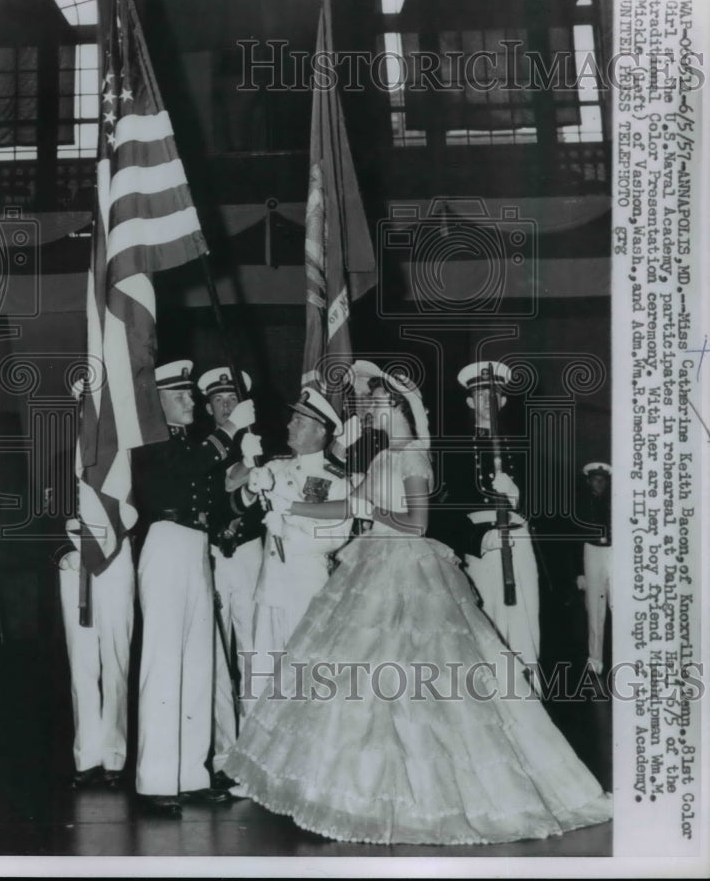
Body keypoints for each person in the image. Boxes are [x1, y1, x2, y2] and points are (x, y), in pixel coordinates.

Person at [224, 361, 611, 845]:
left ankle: (420, 792)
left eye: (378, 406)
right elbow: (347, 506)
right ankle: (359, 790)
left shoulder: (412, 457)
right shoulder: (384, 457)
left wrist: (374, 511)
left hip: (406, 565)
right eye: (368, 408)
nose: (370, 414)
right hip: (373, 564)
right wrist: (290, 506)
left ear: (400, 408)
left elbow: (416, 525)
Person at [130, 359, 256, 817]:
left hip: (197, 545)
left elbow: (215, 500)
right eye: (180, 395)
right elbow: (185, 470)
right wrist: (227, 435)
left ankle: (191, 773)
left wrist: (246, 483)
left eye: (188, 393)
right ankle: (156, 777)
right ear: (157, 400)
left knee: (199, 662)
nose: (190, 401)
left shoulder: (188, 443)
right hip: (165, 544)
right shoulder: (148, 440)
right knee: (164, 664)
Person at [55, 379, 134, 790]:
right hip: (73, 566)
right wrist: (59, 552)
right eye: (82, 402)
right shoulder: (56, 459)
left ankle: (115, 757)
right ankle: (87, 755)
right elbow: (39, 516)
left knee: (116, 658)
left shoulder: (124, 464)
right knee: (82, 662)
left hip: (116, 560)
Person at [247, 387, 359, 666]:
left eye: (300, 421)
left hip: (306, 587)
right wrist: (250, 482)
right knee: (261, 675)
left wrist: (288, 531)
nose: (290, 424)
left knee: (303, 673)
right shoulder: (274, 466)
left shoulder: (336, 480)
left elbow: (335, 536)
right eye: (293, 418)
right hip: (270, 586)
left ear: (321, 431)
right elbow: (241, 497)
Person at [196, 366, 265, 786]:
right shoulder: (200, 447)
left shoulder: (262, 441)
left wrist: (254, 458)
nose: (226, 405)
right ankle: (225, 751)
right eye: (218, 400)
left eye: (232, 399)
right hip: (211, 555)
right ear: (208, 407)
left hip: (250, 552)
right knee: (215, 655)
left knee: (256, 652)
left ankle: (256, 751)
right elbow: (206, 488)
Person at [450, 360, 540, 673]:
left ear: (502, 401)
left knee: (524, 619)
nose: (487, 402)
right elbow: (445, 511)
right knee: (487, 620)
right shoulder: (455, 449)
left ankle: (529, 697)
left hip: (517, 535)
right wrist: (477, 539)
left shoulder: (526, 448)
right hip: (482, 543)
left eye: (494, 396)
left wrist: (520, 496)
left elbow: (550, 510)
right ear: (470, 402)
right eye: (480, 396)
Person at [576, 462, 612, 675]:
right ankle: (595, 659)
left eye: (603, 480)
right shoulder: (580, 504)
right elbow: (572, 541)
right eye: (595, 479)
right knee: (595, 609)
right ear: (588, 481)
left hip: (613, 552)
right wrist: (579, 572)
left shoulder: (615, 501)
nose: (599, 483)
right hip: (591, 552)